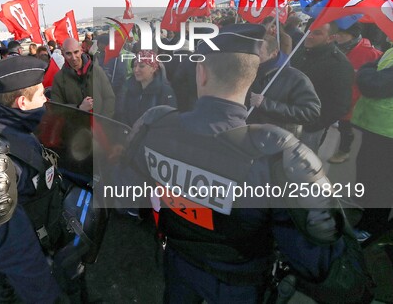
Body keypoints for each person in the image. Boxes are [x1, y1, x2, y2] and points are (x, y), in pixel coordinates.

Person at [125, 24, 369, 304]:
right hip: (237, 283)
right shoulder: (276, 154)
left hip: (178, 264)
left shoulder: (155, 123)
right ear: (250, 77)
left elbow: (132, 188)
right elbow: (322, 262)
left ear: (201, 73)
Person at [0, 56, 66, 303]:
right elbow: (11, 245)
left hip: (49, 234)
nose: (46, 100)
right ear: (22, 102)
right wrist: (47, 297)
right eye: (41, 95)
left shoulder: (15, 127)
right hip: (38, 262)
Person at [351, 49, 393, 245]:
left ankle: (373, 227)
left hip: (387, 132)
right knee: (368, 172)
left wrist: (365, 71)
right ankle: (367, 211)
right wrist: (371, 70)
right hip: (378, 127)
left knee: (381, 183)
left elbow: (374, 84)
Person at [292, 21, 354, 152]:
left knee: (301, 166)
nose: (309, 36)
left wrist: (314, 125)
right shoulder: (300, 52)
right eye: (309, 31)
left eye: (317, 33)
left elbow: (340, 105)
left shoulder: (339, 64)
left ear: (330, 38)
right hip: (286, 118)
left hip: (309, 128)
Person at [328, 23, 382, 164]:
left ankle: (344, 151)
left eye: (343, 35)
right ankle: (345, 150)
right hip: (340, 97)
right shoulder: (334, 48)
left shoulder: (370, 53)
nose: (338, 37)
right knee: (343, 126)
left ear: (353, 36)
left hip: (359, 100)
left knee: (352, 129)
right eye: (337, 34)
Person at [247, 34, 321, 137]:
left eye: (259, 53)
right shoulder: (246, 70)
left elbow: (310, 112)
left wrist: (265, 104)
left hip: (275, 139)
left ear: (273, 53)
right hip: (246, 134)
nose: (252, 56)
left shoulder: (295, 78)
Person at [51, 38, 116, 117]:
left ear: (81, 50)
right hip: (76, 127)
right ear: (62, 54)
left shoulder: (96, 70)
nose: (74, 57)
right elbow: (57, 108)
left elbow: (109, 98)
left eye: (76, 52)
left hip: (99, 125)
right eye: (68, 54)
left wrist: (103, 122)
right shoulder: (59, 78)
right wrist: (79, 108)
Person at [116, 49, 176, 126]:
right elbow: (122, 114)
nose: (136, 70)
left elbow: (169, 120)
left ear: (153, 68)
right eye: (134, 66)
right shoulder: (128, 88)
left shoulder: (165, 91)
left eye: (141, 66)